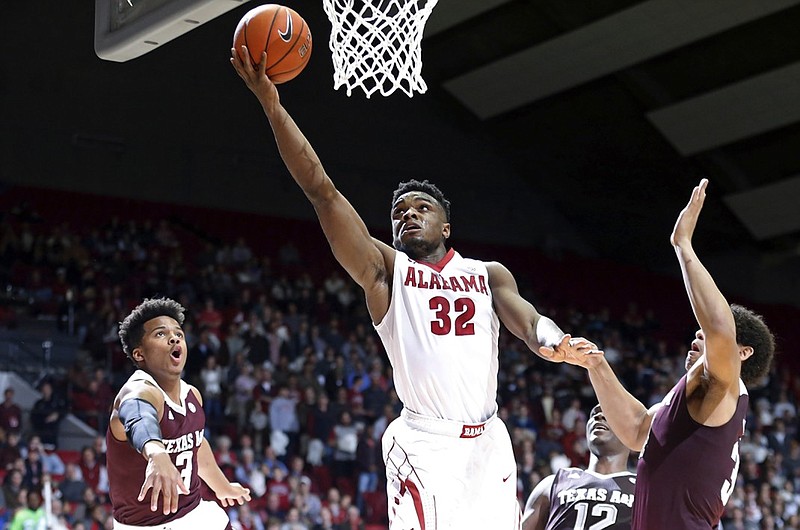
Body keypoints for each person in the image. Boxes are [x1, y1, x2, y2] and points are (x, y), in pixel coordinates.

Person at [231, 47, 592, 530]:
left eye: (421, 207)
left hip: (489, 441)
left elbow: (528, 323)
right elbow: (321, 189)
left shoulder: (488, 274)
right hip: (425, 441)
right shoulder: (386, 270)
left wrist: (555, 342)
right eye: (399, 211)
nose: (408, 214)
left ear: (446, 226)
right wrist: (272, 106)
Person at [564, 179, 776, 530]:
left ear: (743, 351)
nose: (698, 336)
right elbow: (636, 431)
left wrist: (683, 246)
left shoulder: (724, 385)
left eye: (704, 335)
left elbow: (720, 330)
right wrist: (596, 364)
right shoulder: (689, 401)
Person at [106, 298, 251, 529]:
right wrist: (156, 453)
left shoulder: (192, 394)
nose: (174, 338)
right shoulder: (138, 390)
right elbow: (138, 415)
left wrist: (220, 485)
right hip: (147, 526)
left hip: (195, 513)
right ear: (139, 354)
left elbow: (195, 444)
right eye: (160, 334)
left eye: (179, 334)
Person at [521, 404, 635, 530]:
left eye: (610, 413)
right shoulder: (553, 483)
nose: (599, 416)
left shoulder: (643, 489)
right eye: (594, 415)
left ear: (631, 434)